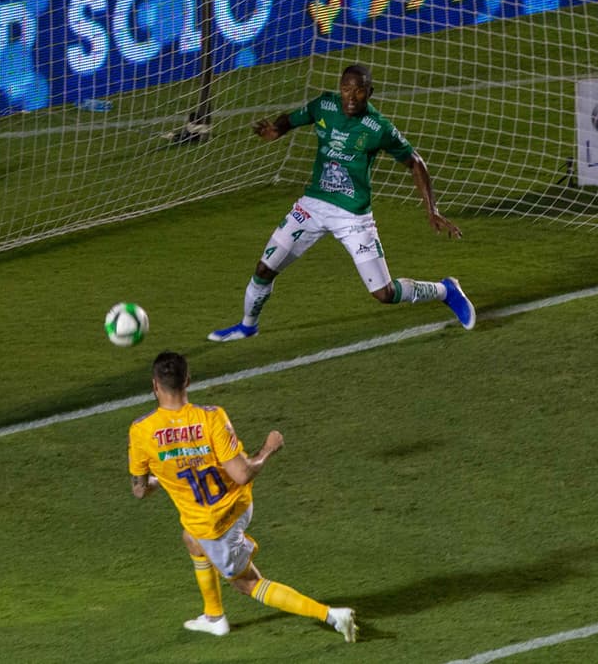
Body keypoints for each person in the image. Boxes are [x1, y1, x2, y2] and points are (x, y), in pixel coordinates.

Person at [207, 64, 475, 342]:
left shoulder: (378, 127)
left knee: (384, 293)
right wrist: (276, 131)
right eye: (346, 89)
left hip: (352, 216)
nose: (351, 96)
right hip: (312, 206)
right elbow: (295, 118)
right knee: (264, 268)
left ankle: (446, 290)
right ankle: (247, 325)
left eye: (359, 91)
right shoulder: (324, 105)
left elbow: (415, 163)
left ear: (369, 93)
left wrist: (432, 209)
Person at [127, 351, 358, 642]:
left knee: (249, 584)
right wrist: (268, 448)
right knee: (190, 539)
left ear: (154, 386)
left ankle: (332, 616)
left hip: (214, 526)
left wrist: (164, 474)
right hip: (240, 504)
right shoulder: (212, 417)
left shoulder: (141, 431)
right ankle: (214, 617)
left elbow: (139, 490)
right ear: (187, 381)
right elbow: (242, 474)